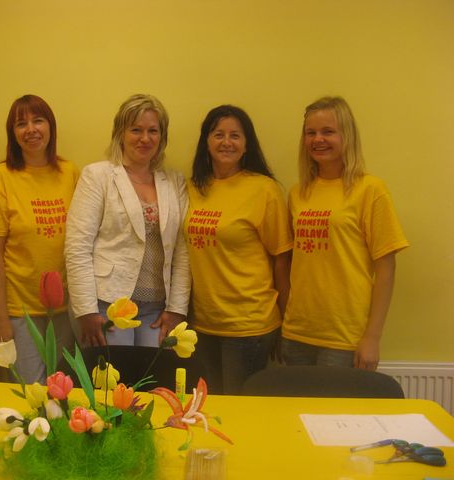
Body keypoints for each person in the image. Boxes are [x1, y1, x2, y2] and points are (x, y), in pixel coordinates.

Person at [282, 96, 409, 371]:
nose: (318, 139)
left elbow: (386, 269)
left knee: (334, 402)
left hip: (344, 337)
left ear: (347, 135)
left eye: (328, 131)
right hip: (296, 332)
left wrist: (372, 337)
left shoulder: (370, 190)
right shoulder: (298, 193)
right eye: (310, 133)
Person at [65, 94, 190, 348]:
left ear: (162, 137)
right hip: (106, 303)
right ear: (120, 133)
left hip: (156, 308)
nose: (145, 138)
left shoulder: (174, 182)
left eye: (153, 131)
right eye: (136, 130)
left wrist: (177, 308)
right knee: (114, 373)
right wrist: (86, 310)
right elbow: (78, 247)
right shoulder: (97, 176)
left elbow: (183, 251)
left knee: (152, 371)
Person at [185, 105, 292, 394]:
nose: (226, 142)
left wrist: (286, 323)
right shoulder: (192, 188)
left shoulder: (264, 189)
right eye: (218, 134)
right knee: (209, 408)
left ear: (246, 145)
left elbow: (282, 260)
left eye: (235, 135)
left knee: (238, 408)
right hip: (202, 324)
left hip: (249, 325)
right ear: (206, 141)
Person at [0, 94, 78, 384]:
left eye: (38, 120)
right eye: (21, 124)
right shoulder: (1, 177)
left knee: (62, 391)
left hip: (66, 309)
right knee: (30, 392)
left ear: (51, 127)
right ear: (12, 133)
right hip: (19, 310)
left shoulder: (70, 173)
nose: (31, 129)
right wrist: (0, 317)